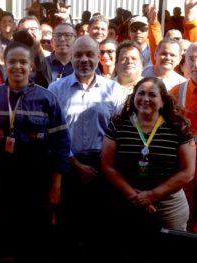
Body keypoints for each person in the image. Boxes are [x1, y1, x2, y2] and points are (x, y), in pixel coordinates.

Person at [0, 41, 71, 262]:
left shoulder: (47, 98)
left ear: (32, 66)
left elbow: (61, 144)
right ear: (4, 63)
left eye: (23, 62)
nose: (17, 67)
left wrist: (56, 185)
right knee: (4, 238)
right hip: (2, 179)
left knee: (36, 240)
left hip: (37, 180)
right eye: (12, 61)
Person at [101, 76, 195, 262]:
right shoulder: (118, 123)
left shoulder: (178, 126)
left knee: (172, 253)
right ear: (133, 96)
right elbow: (107, 165)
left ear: (162, 101)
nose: (145, 99)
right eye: (140, 93)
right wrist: (135, 197)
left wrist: (151, 195)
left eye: (152, 95)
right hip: (127, 200)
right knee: (129, 251)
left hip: (169, 204)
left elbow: (188, 171)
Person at [48, 35, 123, 262]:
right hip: (68, 166)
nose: (84, 60)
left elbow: (119, 133)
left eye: (90, 54)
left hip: (103, 169)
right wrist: (75, 164)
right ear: (71, 57)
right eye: (78, 54)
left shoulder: (114, 90)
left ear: (99, 57)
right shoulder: (56, 88)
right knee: (68, 228)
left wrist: (103, 165)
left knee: (99, 230)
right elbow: (53, 133)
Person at [170, 42, 197, 232]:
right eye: (191, 59)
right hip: (184, 165)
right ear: (184, 63)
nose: (196, 64)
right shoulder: (175, 92)